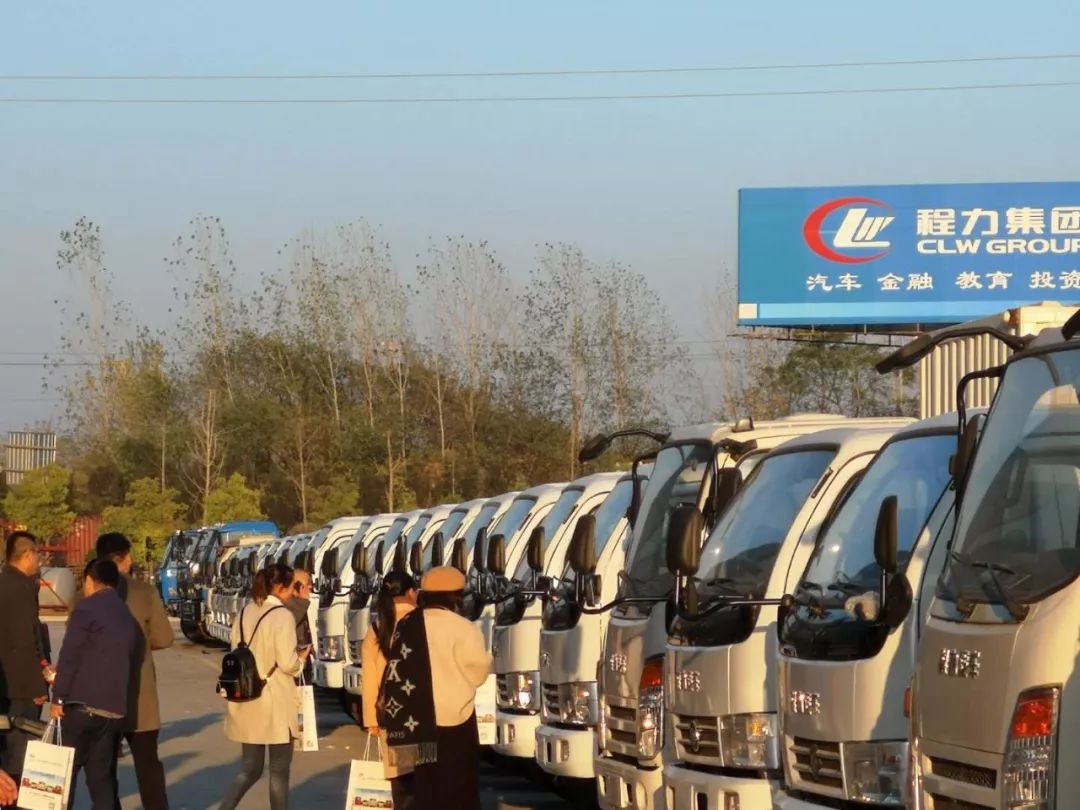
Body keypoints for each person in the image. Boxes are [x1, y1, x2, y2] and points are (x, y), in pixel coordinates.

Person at [378, 566, 491, 810]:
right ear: (455, 596)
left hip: (418, 720)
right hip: (456, 720)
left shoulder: (408, 623)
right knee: (459, 787)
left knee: (426, 787)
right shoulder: (463, 627)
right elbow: (478, 672)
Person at [51, 558, 139, 810]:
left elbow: (70, 656)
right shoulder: (125, 613)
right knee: (101, 780)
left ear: (89, 579)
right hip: (112, 711)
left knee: (62, 776)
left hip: (82, 707)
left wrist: (58, 698)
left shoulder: (86, 609)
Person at [220, 563, 310, 810]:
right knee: (279, 770)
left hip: (247, 695)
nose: (294, 591)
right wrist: (301, 659)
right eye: (293, 586)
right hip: (274, 700)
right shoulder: (282, 615)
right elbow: (287, 663)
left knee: (249, 769)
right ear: (281, 587)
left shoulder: (245, 611)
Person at [96, 532, 174, 810]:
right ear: (124, 557)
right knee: (148, 766)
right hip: (140, 695)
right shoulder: (144, 592)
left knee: (103, 770)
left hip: (100, 696)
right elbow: (164, 638)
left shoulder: (84, 595)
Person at [361, 571, 418, 809]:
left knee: (400, 781)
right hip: (421, 710)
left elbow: (369, 678)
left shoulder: (377, 628)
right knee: (424, 778)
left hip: (392, 712)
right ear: (411, 592)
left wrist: (371, 720)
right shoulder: (423, 621)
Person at [0, 532, 50, 786]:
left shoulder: (5, 582)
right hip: (20, 688)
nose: (39, 560)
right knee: (19, 758)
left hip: (7, 684)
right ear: (28, 554)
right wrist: (37, 687)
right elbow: (24, 641)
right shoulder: (18, 588)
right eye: (37, 554)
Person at [284, 568, 314, 684]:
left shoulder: (294, 607)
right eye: (308, 585)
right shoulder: (295, 608)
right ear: (301, 588)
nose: (310, 589)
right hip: (295, 669)